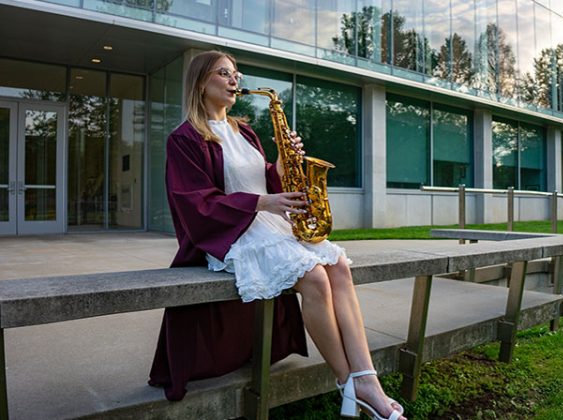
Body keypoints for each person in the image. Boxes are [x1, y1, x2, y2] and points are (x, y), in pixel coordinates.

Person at [148, 50, 406, 420]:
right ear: (201, 82)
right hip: (233, 234)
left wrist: (285, 165)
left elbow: (263, 178)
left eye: (235, 73)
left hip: (268, 226)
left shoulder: (245, 131)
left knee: (338, 267)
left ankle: (367, 379)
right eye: (224, 73)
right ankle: (348, 381)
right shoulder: (185, 139)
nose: (235, 80)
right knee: (315, 277)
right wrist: (264, 202)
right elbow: (195, 204)